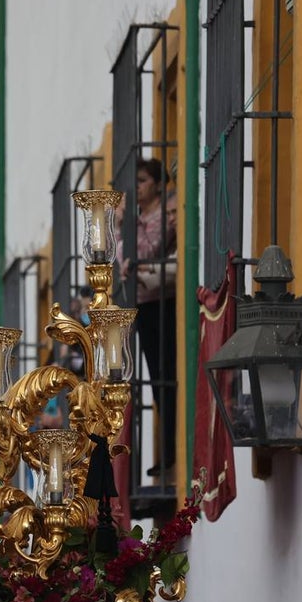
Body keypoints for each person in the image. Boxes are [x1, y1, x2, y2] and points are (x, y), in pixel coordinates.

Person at [130, 158, 177, 478]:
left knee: (167, 378)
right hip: (144, 305)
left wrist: (134, 256)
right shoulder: (137, 219)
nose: (137, 187)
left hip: (165, 301)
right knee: (158, 384)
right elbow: (123, 258)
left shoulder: (164, 216)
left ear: (159, 184)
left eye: (143, 180)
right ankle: (167, 450)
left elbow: (148, 250)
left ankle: (173, 449)